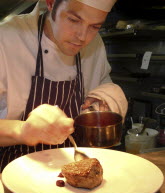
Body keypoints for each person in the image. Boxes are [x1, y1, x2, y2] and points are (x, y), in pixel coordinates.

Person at [0, 0, 128, 171]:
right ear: (51, 3)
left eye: (95, 26)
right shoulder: (7, 37)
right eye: (74, 20)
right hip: (14, 172)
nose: (82, 37)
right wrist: (22, 130)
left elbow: (104, 83)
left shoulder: (95, 44)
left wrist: (102, 100)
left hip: (75, 166)